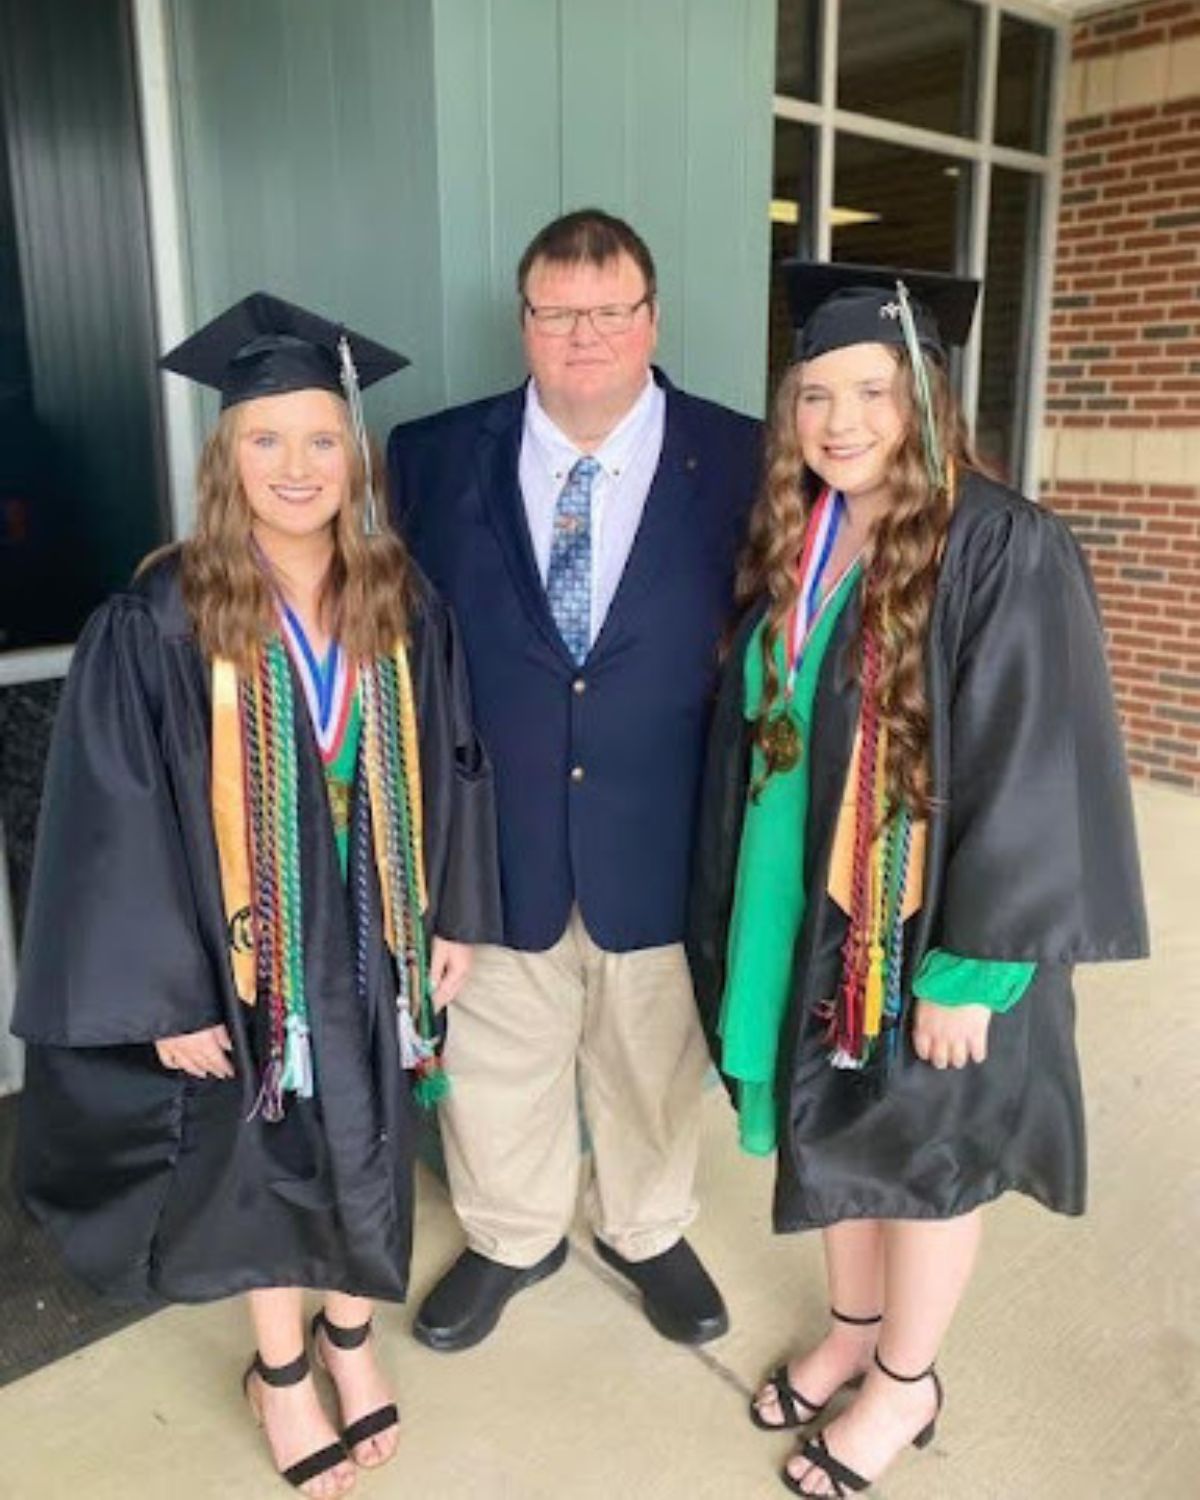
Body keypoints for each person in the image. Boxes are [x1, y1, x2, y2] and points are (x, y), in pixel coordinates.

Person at [12, 293, 501, 1497]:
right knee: (260, 1170)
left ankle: (350, 1337)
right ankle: (280, 1370)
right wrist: (162, 994)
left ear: (356, 456)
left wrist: (458, 914)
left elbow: (459, 759)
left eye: (321, 439)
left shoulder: (399, 598)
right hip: (245, 969)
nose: (297, 467)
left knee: (370, 1147)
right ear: (225, 458)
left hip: (375, 942)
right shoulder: (160, 618)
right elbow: (109, 822)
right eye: (265, 440)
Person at [685, 262, 1147, 1496]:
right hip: (803, 898)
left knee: (928, 1153)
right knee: (829, 1115)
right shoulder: (809, 530)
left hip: (930, 925)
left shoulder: (1001, 543)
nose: (841, 422)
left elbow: (1035, 759)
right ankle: (850, 1332)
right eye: (817, 394)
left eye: (874, 391)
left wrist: (977, 966)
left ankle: (906, 1382)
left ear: (928, 398)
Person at [388, 209, 761, 1351]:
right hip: (495, 841)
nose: (584, 334)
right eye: (558, 311)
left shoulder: (747, 455)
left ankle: (647, 1228)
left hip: (665, 828)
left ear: (651, 318)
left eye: (611, 311)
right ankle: (512, 1234)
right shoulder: (429, 453)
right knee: (501, 1055)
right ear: (525, 323)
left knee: (653, 1055)